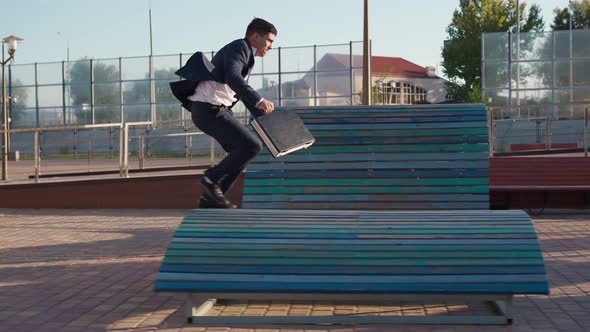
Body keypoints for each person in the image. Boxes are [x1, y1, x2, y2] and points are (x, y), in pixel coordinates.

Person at [170, 18, 277, 208]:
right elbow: (233, 77)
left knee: (242, 154)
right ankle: (210, 180)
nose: (270, 46)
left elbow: (238, 90)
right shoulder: (240, 48)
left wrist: (263, 116)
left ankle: (211, 200)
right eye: (269, 40)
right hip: (208, 109)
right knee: (252, 147)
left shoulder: (246, 54)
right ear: (255, 36)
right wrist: (259, 100)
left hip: (210, 110)